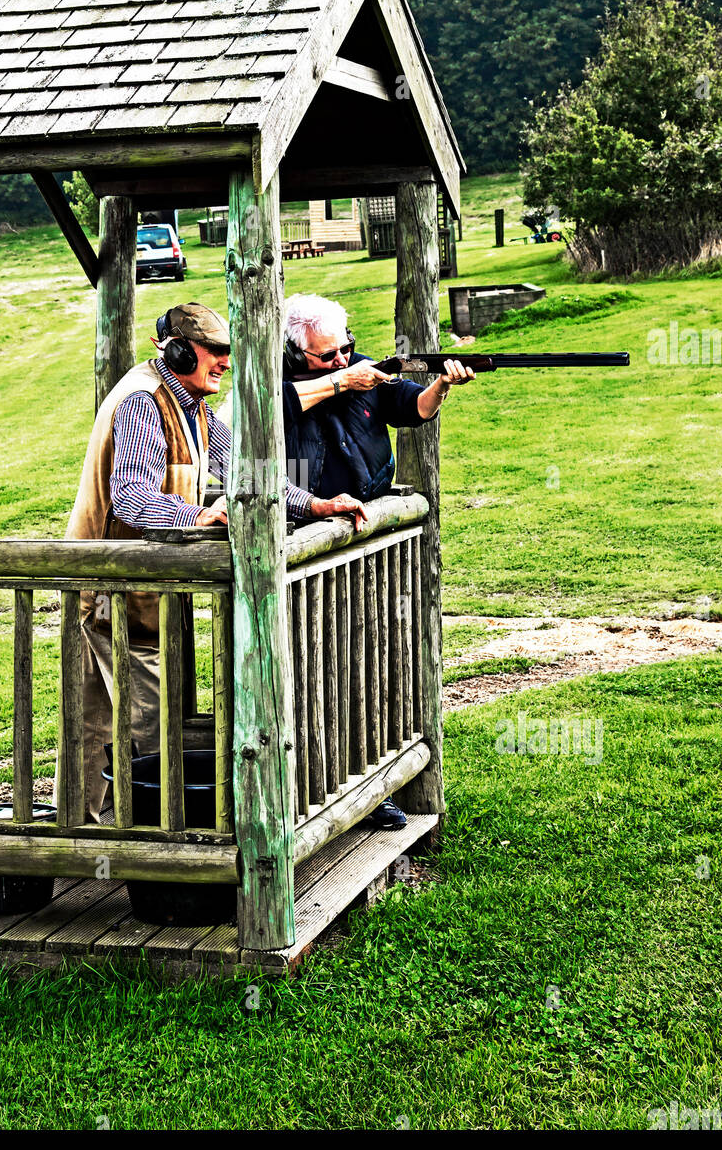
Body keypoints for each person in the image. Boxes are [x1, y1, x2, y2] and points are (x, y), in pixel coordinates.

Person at [64, 301, 367, 822]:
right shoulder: (142, 400)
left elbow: (249, 475)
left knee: (100, 721)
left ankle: (89, 830)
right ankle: (148, 848)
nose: (226, 363)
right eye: (216, 353)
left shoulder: (194, 406)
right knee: (147, 721)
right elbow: (133, 500)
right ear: (179, 352)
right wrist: (203, 516)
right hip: (115, 589)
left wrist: (317, 504)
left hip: (145, 589)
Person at [282, 293, 475, 830]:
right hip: (305, 543)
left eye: (345, 349)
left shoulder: (362, 370)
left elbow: (412, 408)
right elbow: (272, 408)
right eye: (327, 355)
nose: (341, 360)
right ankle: (308, 793)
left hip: (368, 542)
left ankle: (366, 789)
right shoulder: (275, 383)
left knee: (368, 666)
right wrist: (340, 381)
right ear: (297, 352)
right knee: (311, 674)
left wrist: (441, 384)